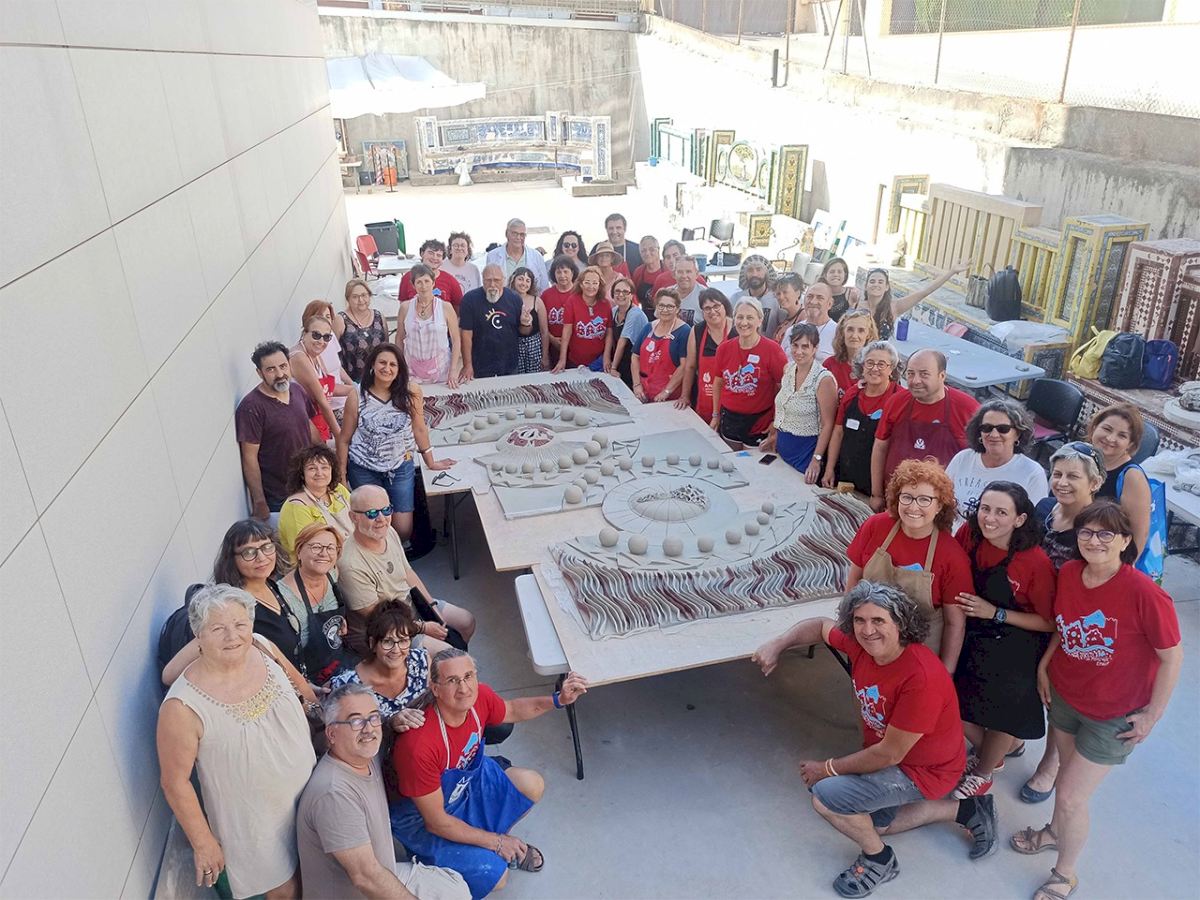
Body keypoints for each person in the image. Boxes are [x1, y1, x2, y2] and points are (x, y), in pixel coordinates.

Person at [751, 582, 995, 899]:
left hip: (925, 770)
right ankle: (967, 810)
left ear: (901, 623)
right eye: (859, 620)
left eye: (878, 620)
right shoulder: (862, 647)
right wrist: (779, 643)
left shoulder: (920, 677)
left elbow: (889, 755)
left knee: (826, 798)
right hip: (895, 758)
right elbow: (820, 626)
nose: (867, 631)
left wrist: (827, 768)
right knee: (875, 825)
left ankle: (879, 860)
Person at [1011, 501, 1181, 900]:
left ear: (1125, 541)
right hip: (1067, 696)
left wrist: (1152, 715)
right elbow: (1064, 626)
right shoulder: (1071, 572)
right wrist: (1045, 666)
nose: (1094, 541)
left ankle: (1065, 874)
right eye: (1086, 532)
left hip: (1113, 714)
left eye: (1107, 533)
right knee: (1065, 780)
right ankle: (1055, 832)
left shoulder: (1144, 593)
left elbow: (1172, 657)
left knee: (1072, 796)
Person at [389, 649, 589, 899]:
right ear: (435, 688)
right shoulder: (419, 746)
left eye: (468, 676)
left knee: (531, 784)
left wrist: (559, 699)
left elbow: (512, 709)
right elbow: (436, 821)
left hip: (465, 785)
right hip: (421, 817)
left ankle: (493, 841)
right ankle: (470, 852)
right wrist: (496, 842)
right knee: (496, 876)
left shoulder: (479, 697)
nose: (464, 688)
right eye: (452, 680)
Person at [158, 584, 316, 899]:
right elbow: (175, 782)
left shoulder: (262, 646)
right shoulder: (182, 707)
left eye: (240, 624)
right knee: (285, 891)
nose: (233, 636)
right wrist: (203, 842)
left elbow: (304, 691)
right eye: (218, 628)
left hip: (308, 793)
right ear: (197, 635)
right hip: (255, 825)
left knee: (317, 872)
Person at [297, 683, 470, 900]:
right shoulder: (333, 795)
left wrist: (393, 721)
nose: (368, 729)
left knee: (455, 888)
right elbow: (366, 877)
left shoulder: (365, 755)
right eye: (355, 721)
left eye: (373, 717)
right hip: (359, 891)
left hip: (384, 868)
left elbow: (384, 730)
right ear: (332, 733)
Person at [950, 483, 1056, 800]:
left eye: (1001, 512)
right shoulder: (968, 535)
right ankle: (997, 749)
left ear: (1020, 519)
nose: (989, 518)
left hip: (1018, 638)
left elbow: (1049, 622)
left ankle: (983, 772)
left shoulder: (1034, 561)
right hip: (974, 626)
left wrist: (995, 613)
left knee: (1005, 702)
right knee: (946, 694)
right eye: (985, 509)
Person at [1020, 442, 1106, 806]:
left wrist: (1048, 657)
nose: (1062, 482)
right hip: (1030, 612)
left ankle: (1050, 763)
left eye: (1073, 476)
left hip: (1068, 628)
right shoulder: (1043, 509)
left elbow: (1091, 600)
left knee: (1057, 700)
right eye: (1057, 474)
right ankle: (1012, 734)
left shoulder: (1096, 529)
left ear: (1094, 483)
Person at [847, 459, 972, 670]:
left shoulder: (952, 556)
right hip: (869, 640)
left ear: (939, 505)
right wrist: (851, 632)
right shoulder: (876, 526)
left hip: (919, 655)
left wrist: (945, 672)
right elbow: (853, 584)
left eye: (925, 499)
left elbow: (955, 624)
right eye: (907, 497)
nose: (913, 507)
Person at [337, 485, 475, 656]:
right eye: (372, 513)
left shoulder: (388, 532)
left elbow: (408, 573)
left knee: (466, 622)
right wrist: (422, 627)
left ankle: (455, 664)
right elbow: (378, 619)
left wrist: (431, 606)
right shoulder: (350, 565)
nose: (381, 519)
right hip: (386, 630)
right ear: (353, 517)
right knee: (446, 654)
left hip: (410, 605)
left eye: (386, 510)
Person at [342, 344, 454, 543]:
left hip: (400, 465)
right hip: (364, 468)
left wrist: (430, 461)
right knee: (372, 525)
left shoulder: (411, 392)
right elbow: (344, 439)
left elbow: (419, 428)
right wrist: (341, 478)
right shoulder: (356, 395)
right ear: (372, 365)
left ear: (400, 368)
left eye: (393, 364)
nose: (387, 368)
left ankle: (392, 550)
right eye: (382, 363)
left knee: (403, 530)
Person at [870, 349, 980, 511]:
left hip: (942, 505)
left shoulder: (967, 409)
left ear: (942, 376)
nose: (915, 380)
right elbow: (880, 447)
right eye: (910, 373)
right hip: (897, 499)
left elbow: (979, 460)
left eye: (924, 374)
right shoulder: (896, 402)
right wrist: (877, 494)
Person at [236, 341, 319, 522]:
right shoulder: (251, 408)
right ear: (260, 373)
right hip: (280, 498)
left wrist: (326, 457)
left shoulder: (297, 390)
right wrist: (259, 501)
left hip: (311, 486)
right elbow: (249, 458)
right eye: (271, 369)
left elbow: (309, 426)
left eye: (283, 366)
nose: (280, 374)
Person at [327, 599, 431, 731]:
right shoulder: (346, 684)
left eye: (403, 641)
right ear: (372, 643)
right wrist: (389, 723)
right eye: (388, 642)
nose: (396, 650)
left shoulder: (421, 661)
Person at [945, 399, 1048, 526]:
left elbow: (1032, 524)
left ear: (1018, 434)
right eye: (987, 428)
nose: (994, 434)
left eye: (1003, 429)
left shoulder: (1032, 473)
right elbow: (941, 497)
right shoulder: (963, 458)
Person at [823, 341, 905, 496]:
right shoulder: (852, 393)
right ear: (862, 366)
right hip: (845, 478)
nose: (874, 368)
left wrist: (878, 494)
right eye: (870, 363)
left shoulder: (900, 399)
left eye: (881, 364)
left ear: (892, 368)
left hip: (878, 487)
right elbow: (838, 432)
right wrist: (829, 469)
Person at [762, 322, 838, 481]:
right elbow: (784, 406)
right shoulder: (788, 369)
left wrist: (816, 460)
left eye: (805, 346)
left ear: (815, 348)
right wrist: (775, 434)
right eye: (795, 345)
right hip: (782, 447)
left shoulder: (824, 380)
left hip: (806, 452)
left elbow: (828, 424)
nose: (798, 351)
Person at [710, 297, 788, 449]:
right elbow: (718, 383)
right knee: (731, 460)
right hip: (730, 419)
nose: (744, 322)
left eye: (750, 317)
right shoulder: (724, 349)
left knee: (752, 462)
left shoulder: (773, 350)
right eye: (740, 317)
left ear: (760, 320)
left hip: (759, 421)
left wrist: (776, 421)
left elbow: (784, 389)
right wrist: (715, 415)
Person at [1087, 402, 1152, 563]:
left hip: (1106, 559)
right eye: (1107, 429)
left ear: (1130, 444)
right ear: (1094, 427)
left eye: (1122, 436)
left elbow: (1139, 533)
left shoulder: (1132, 477)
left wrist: (1125, 569)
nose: (1110, 438)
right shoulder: (1083, 457)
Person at [276, 522, 346, 660]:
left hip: (336, 658)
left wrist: (338, 621)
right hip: (304, 667)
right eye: (316, 547)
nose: (324, 554)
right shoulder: (282, 595)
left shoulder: (332, 574)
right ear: (299, 551)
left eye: (330, 548)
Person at [857, 263, 967, 340]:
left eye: (880, 282)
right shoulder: (857, 306)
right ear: (866, 286)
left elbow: (925, 291)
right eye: (872, 281)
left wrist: (952, 272)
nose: (876, 284)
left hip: (881, 358)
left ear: (887, 287)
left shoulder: (894, 307)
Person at [396, 264, 465, 388]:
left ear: (433, 283)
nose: (424, 286)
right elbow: (399, 338)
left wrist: (453, 369)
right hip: (411, 370)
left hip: (441, 370)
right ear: (413, 285)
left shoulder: (446, 307)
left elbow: (456, 340)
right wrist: (400, 366)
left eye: (427, 281)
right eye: (419, 282)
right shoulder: (405, 308)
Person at [291, 313, 355, 445]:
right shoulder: (299, 357)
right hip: (306, 423)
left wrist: (356, 390)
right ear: (304, 333)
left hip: (319, 419)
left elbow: (329, 387)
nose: (321, 341)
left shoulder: (315, 354)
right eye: (316, 335)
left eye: (326, 337)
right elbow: (321, 398)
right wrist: (339, 435)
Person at [459, 265, 531, 380]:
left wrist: (526, 323)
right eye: (488, 280)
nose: (492, 284)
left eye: (496, 280)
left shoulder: (514, 298)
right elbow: (466, 335)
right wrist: (467, 365)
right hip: (480, 364)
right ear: (482, 280)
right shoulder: (469, 300)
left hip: (509, 363)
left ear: (503, 280)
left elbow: (524, 332)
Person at [279, 444, 353, 555]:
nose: (319, 473)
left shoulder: (339, 490)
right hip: (319, 560)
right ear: (302, 474)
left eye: (324, 467)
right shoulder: (296, 506)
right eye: (312, 468)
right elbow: (305, 550)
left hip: (351, 553)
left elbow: (359, 517)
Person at [678, 289, 734, 423]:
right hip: (705, 399)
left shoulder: (737, 329)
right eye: (707, 308)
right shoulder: (697, 331)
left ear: (724, 306)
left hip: (732, 400)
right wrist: (685, 395)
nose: (712, 311)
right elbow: (690, 366)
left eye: (716, 306)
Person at [630, 287, 690, 403]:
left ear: (677, 309)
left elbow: (684, 366)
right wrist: (636, 384)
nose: (665, 310)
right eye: (661, 305)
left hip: (669, 398)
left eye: (670, 306)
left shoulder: (684, 331)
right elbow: (635, 356)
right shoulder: (649, 327)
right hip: (644, 392)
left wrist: (666, 391)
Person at [554, 265, 613, 373]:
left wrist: (606, 357)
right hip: (575, 361)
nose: (591, 286)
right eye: (587, 282)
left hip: (598, 362)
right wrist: (562, 359)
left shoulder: (606, 304)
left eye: (595, 283)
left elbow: (609, 333)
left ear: (599, 285)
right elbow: (567, 331)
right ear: (581, 284)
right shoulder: (572, 301)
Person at [335, 278, 389, 383]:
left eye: (364, 295)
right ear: (348, 299)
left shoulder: (379, 317)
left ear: (369, 296)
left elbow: (386, 346)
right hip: (352, 381)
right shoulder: (341, 320)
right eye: (355, 297)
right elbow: (332, 352)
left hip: (379, 378)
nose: (361, 300)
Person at [823, 309, 879, 398]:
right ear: (843, 332)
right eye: (850, 329)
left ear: (869, 334)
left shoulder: (876, 368)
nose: (854, 335)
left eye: (861, 330)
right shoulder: (830, 365)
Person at [606, 275, 648, 388]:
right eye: (617, 291)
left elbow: (622, 342)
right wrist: (607, 359)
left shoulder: (635, 314)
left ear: (631, 295)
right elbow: (610, 336)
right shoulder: (614, 311)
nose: (621, 295)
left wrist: (613, 368)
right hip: (621, 359)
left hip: (635, 362)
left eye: (625, 292)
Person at [485, 218, 549, 292]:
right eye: (514, 233)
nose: (518, 237)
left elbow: (544, 286)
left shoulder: (536, 256)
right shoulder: (492, 256)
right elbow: (489, 284)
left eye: (522, 234)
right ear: (506, 234)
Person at [399, 239, 464, 311]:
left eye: (439, 255)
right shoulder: (407, 277)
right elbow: (403, 307)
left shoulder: (451, 281)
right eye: (431, 253)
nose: (434, 258)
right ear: (422, 253)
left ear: (442, 259)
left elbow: (458, 310)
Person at [508, 267, 549, 374]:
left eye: (527, 280)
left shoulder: (537, 301)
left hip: (534, 347)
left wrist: (545, 356)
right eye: (520, 279)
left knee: (535, 379)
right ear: (513, 280)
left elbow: (544, 331)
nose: (524, 283)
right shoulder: (506, 300)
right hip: (514, 347)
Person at [732, 254, 780, 337]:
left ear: (767, 272)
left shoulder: (777, 299)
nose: (754, 274)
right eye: (750, 270)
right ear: (744, 274)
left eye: (759, 269)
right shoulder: (736, 299)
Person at [541, 255, 578, 364]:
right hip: (552, 347)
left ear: (572, 272)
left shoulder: (579, 294)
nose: (562, 276)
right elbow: (541, 324)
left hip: (574, 348)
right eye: (558, 272)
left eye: (566, 272)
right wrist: (552, 339)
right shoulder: (546, 295)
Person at [803, 281, 839, 362]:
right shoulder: (791, 330)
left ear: (829, 304)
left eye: (820, 298)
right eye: (809, 296)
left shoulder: (838, 333)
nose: (813, 301)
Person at [820, 256, 861, 321]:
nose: (836, 274)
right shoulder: (819, 292)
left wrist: (852, 304)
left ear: (845, 275)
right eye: (832, 272)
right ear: (825, 275)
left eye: (839, 272)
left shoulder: (851, 294)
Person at [769, 272, 805, 345]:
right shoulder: (786, 317)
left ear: (797, 293)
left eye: (785, 292)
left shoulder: (804, 317)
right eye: (778, 294)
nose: (781, 297)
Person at [631, 235, 663, 310]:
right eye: (643, 251)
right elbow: (632, 295)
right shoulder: (638, 272)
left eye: (651, 249)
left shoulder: (667, 269)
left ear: (658, 250)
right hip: (645, 314)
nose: (647, 253)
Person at [670, 255, 704, 325]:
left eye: (688, 272)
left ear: (697, 274)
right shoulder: (667, 294)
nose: (684, 276)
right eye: (680, 272)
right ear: (674, 274)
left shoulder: (705, 296)